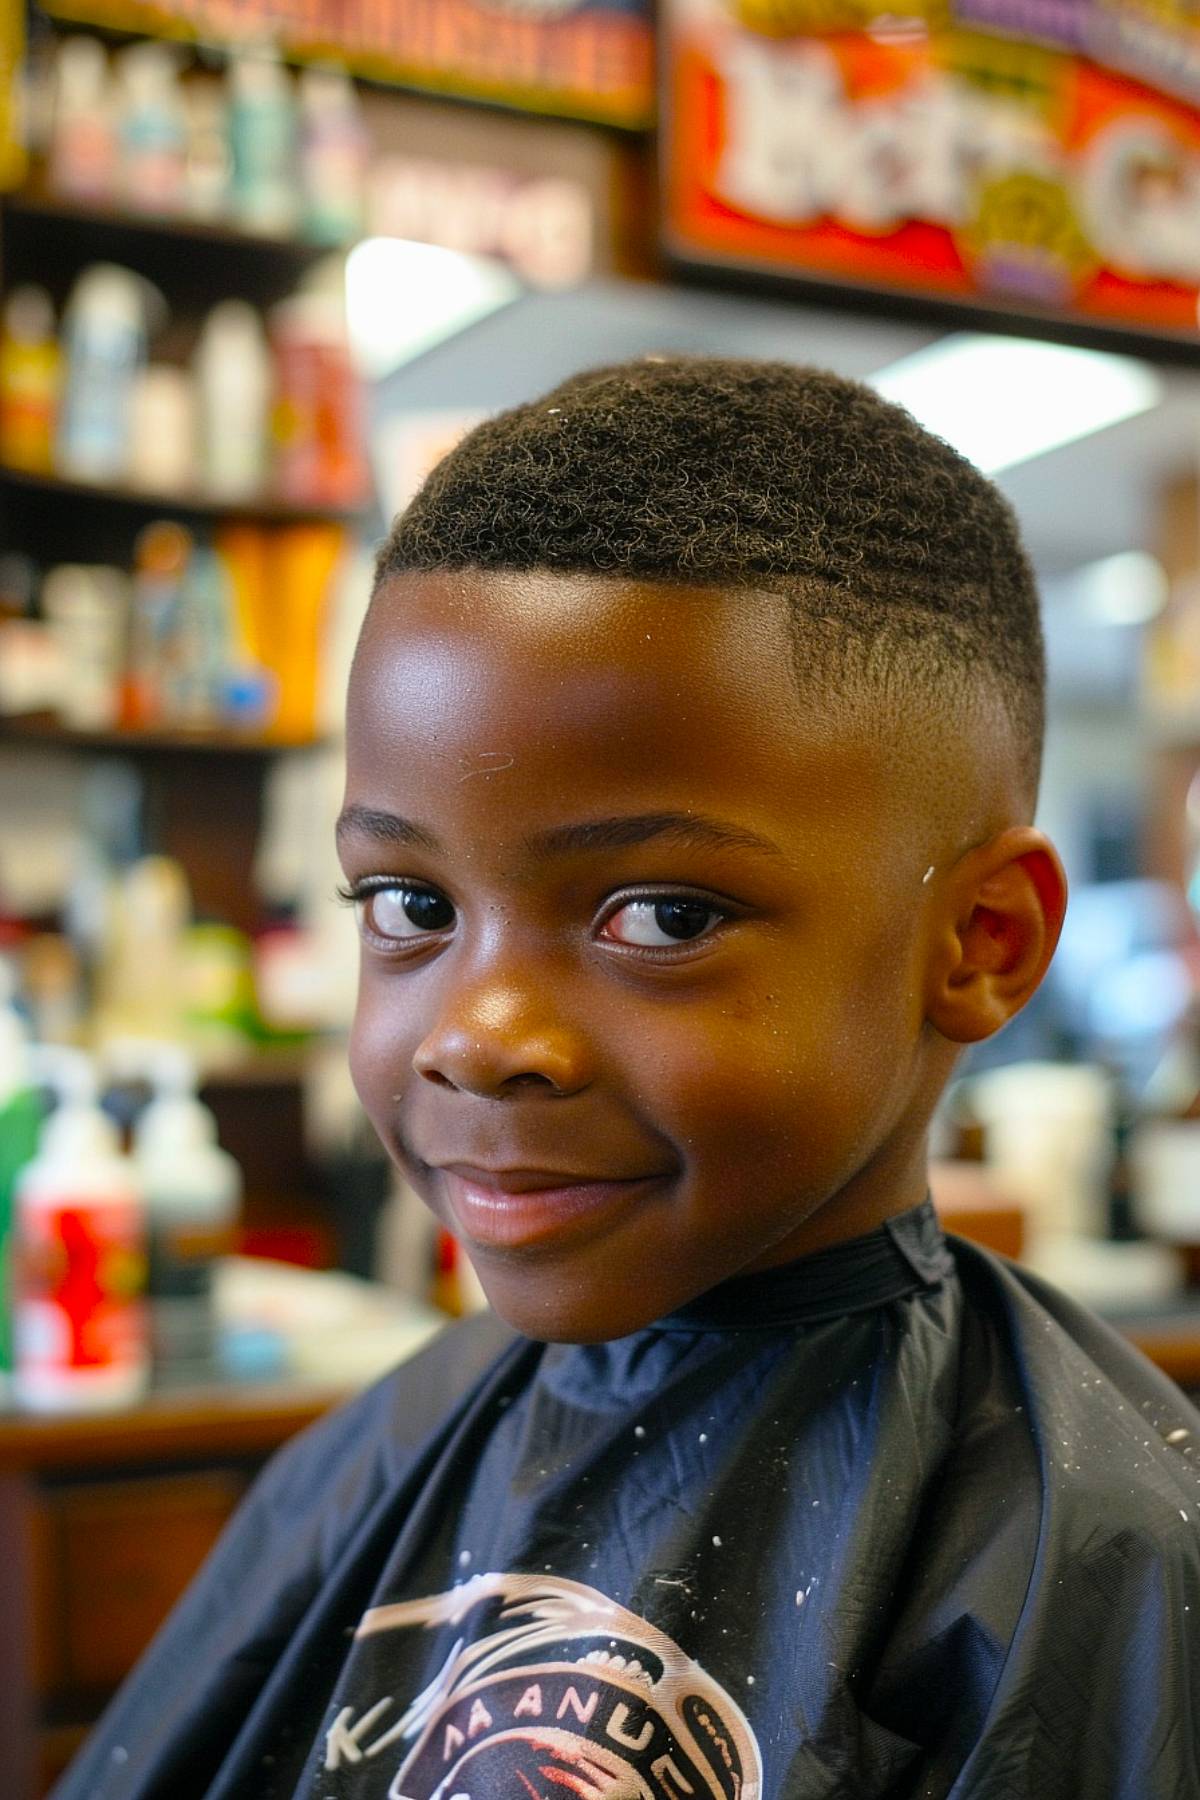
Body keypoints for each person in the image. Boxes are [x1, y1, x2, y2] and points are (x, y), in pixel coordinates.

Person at [57, 358, 1200, 1800]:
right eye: (406, 906)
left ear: (982, 941)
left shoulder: (1093, 1562)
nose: (478, 1036)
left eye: (661, 916)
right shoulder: (369, 1455)